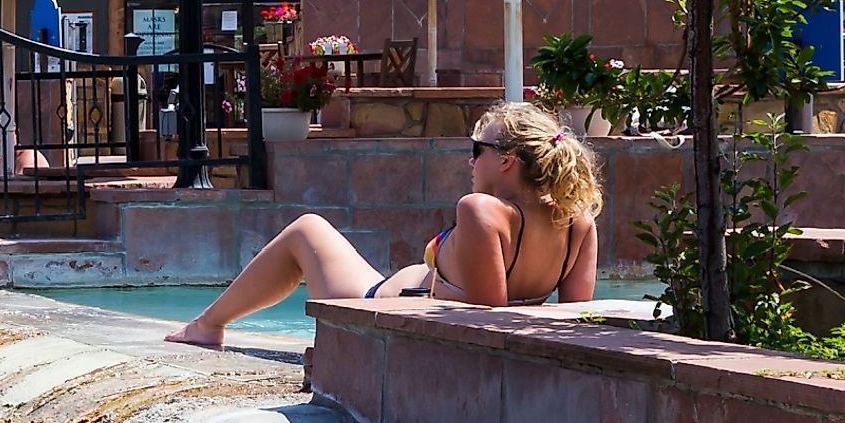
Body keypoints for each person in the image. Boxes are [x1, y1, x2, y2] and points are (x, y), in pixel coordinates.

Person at [170, 101, 602, 348]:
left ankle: (207, 326)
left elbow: (486, 318)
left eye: (477, 149)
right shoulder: (578, 222)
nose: (471, 160)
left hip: (381, 304)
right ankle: (209, 325)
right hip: (406, 299)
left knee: (307, 229)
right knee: (311, 231)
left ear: (506, 160)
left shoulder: (481, 210)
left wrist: (436, 278)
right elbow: (573, 317)